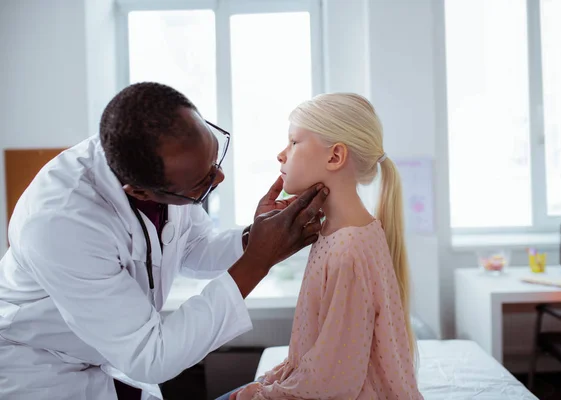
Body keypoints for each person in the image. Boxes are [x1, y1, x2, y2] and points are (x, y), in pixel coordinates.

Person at [0, 82, 329, 400]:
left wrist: (254, 236)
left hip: (106, 357)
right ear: (141, 192)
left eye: (215, 159)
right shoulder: (61, 224)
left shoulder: (160, 158)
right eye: (202, 183)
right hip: (40, 368)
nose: (219, 177)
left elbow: (192, 248)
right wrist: (258, 260)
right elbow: (150, 356)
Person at [220, 93, 423, 399]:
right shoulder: (341, 231)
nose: (281, 154)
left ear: (334, 157)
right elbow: (323, 354)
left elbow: (334, 379)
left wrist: (264, 395)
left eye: (294, 142)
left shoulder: (348, 248)